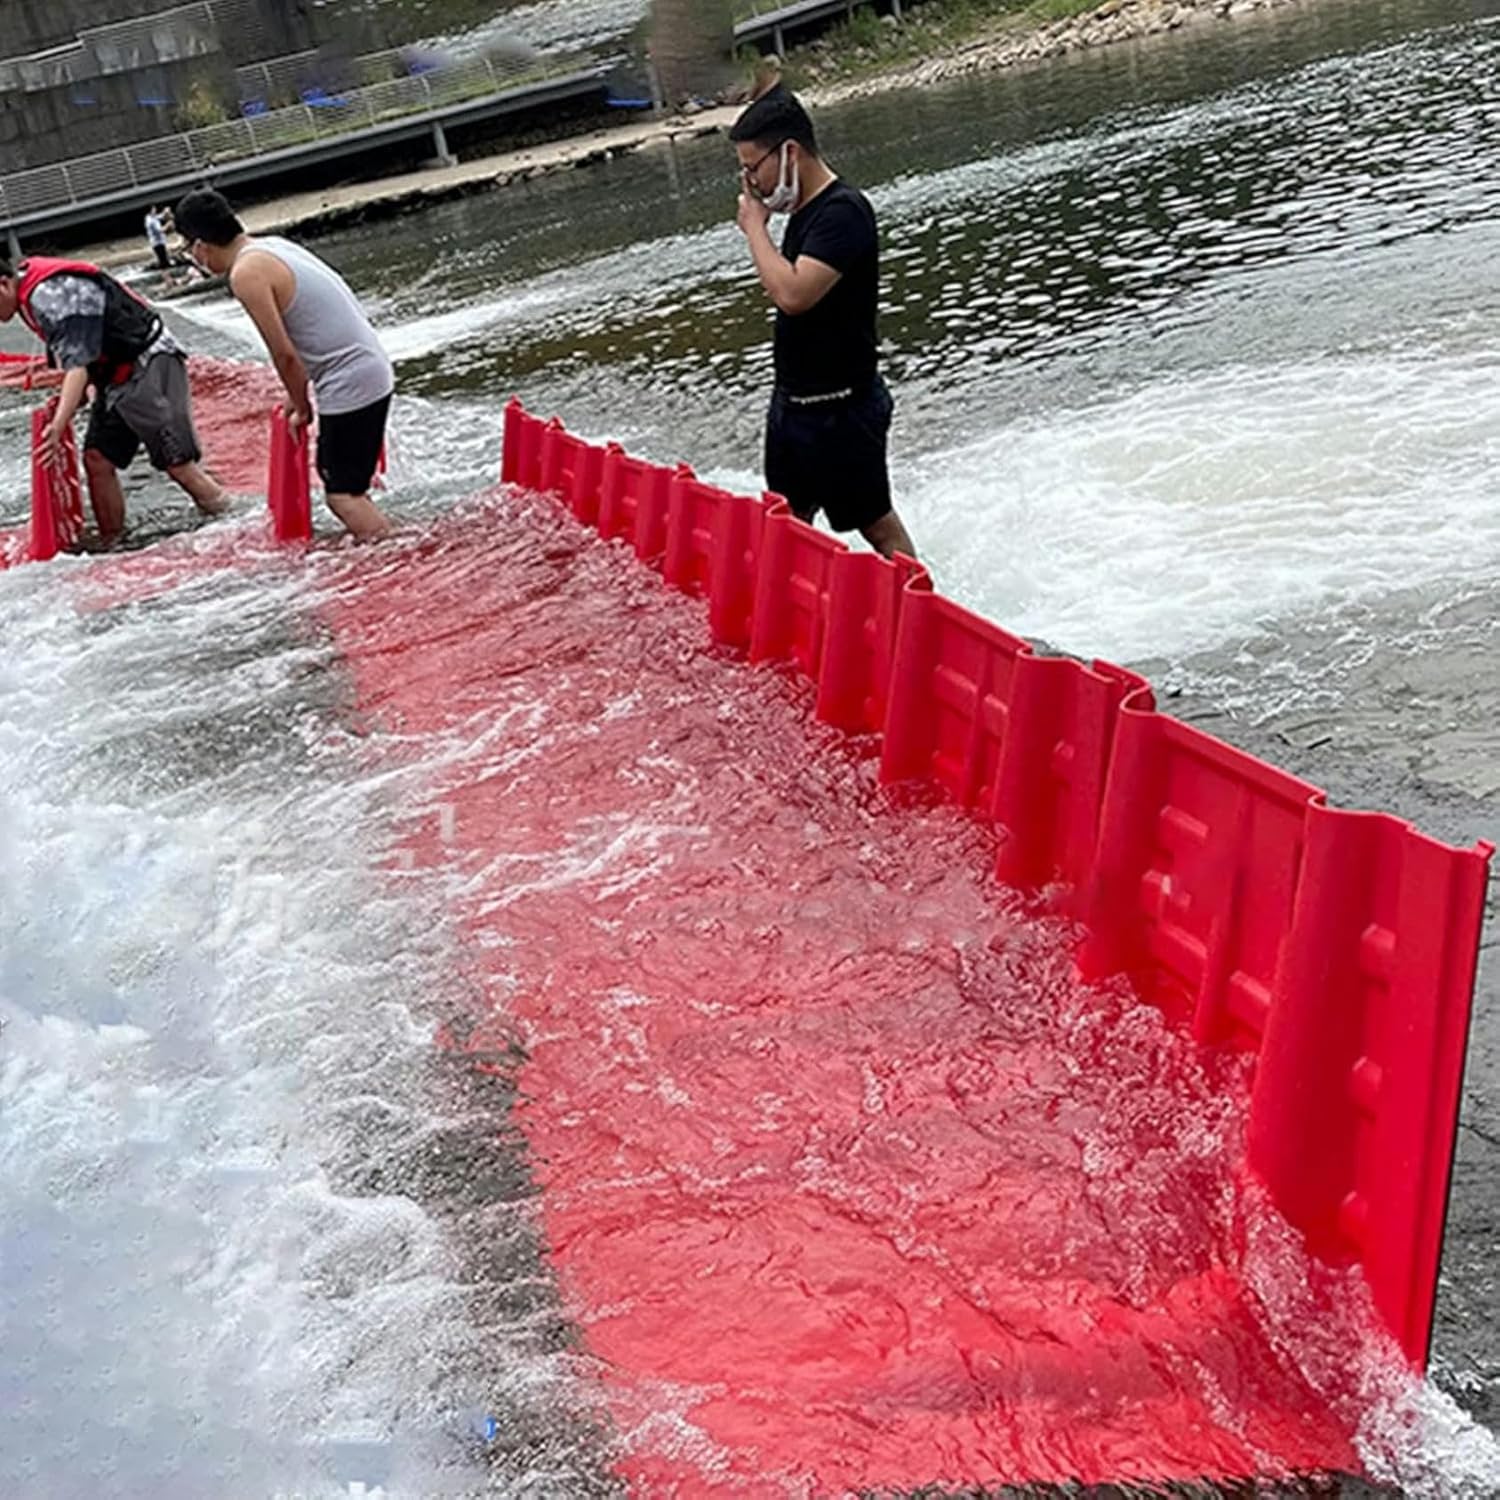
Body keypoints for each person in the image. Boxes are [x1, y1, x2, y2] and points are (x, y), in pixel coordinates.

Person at [730, 86, 917, 561]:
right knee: (789, 528)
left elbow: (793, 293)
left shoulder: (844, 211)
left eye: (754, 167)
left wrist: (754, 228)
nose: (750, 182)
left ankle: (923, 614)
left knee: (875, 523)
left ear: (789, 151)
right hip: (794, 406)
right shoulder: (802, 215)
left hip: (842, 409)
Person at [172, 189, 394, 542]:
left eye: (186, 250)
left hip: (350, 379)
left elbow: (285, 353)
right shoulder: (270, 246)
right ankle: (385, 541)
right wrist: (297, 394)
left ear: (200, 246)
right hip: (367, 367)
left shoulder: (246, 273)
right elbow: (308, 328)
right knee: (350, 483)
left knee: (342, 497)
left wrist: (302, 406)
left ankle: (399, 556)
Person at [0, 254, 229, 542]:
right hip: (114, 375)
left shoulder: (47, 294)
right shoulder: (29, 289)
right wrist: (77, 398)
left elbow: (78, 366)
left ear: (4, 284)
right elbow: (77, 346)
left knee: (177, 463)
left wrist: (59, 424)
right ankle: (113, 541)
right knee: (97, 459)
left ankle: (232, 520)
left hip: (147, 361)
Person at [144, 206, 171, 271]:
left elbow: (161, 216)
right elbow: (160, 230)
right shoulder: (151, 221)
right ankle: (156, 269)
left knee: (163, 259)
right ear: (150, 211)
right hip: (157, 243)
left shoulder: (151, 217)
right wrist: (168, 224)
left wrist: (165, 212)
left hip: (159, 242)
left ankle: (159, 268)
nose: (155, 210)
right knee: (163, 261)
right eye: (154, 209)